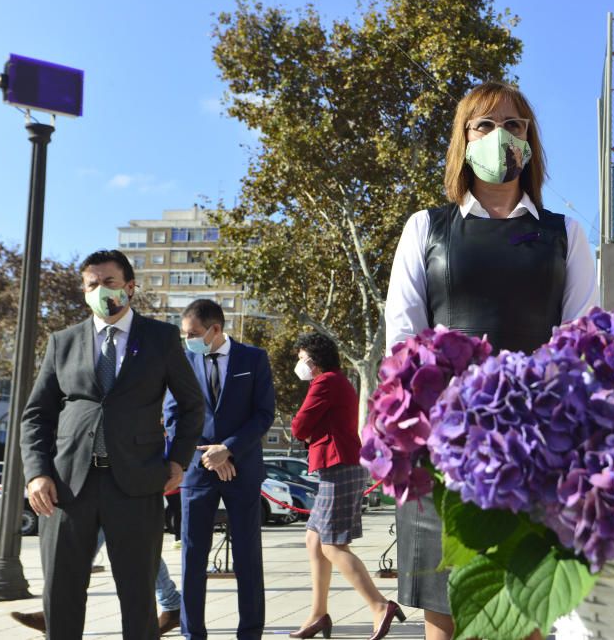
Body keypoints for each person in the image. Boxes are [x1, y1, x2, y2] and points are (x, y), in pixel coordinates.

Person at [383, 81, 598, 640]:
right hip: (441, 443)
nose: (500, 135)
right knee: (446, 611)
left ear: (531, 142)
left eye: (515, 125)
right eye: (484, 125)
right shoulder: (424, 227)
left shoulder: (564, 234)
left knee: (527, 612)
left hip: (535, 446)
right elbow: (403, 333)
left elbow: (579, 341)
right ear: (463, 139)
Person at [20, 249, 204, 640]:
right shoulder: (62, 342)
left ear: (130, 288)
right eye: (91, 285)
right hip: (68, 487)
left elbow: (191, 406)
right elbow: (36, 415)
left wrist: (179, 461)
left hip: (137, 485)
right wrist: (36, 473)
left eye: (109, 283)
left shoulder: (162, 338)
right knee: (62, 593)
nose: (100, 291)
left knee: (137, 597)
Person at [164, 299, 275, 640]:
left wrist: (228, 450)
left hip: (242, 469)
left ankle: (250, 633)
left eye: (193, 333)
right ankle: (192, 633)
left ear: (215, 329)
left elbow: (263, 414)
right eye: (185, 334)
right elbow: (173, 415)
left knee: (247, 557)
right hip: (197, 472)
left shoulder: (254, 358)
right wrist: (207, 456)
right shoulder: (182, 360)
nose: (188, 339)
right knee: (193, 558)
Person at [288, 332, 401, 640]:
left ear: (313, 361)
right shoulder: (338, 381)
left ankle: (379, 606)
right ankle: (318, 614)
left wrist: (304, 431)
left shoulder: (325, 382)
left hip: (338, 467)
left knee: (332, 544)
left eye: (301, 359)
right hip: (339, 466)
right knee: (314, 540)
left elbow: (299, 425)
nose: (299, 365)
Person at [10, 529, 183, 635]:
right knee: (136, 544)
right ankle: (173, 605)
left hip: (126, 482)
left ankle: (57, 614)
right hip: (101, 483)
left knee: (134, 545)